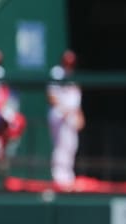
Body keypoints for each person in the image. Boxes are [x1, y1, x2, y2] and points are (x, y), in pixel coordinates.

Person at [46, 49, 85, 191]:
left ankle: (68, 176)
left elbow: (76, 99)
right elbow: (51, 95)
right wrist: (64, 110)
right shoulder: (56, 72)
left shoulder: (73, 76)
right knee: (61, 146)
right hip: (60, 114)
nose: (69, 63)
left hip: (71, 114)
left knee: (72, 145)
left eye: (72, 60)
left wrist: (80, 115)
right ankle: (59, 177)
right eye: (67, 60)